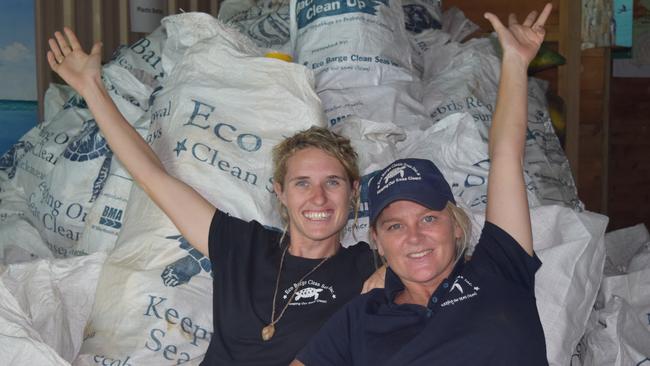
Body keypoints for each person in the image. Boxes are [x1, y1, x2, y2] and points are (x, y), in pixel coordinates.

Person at [46, 29, 383, 366]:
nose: (318, 198)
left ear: (354, 191)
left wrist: (393, 272)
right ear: (280, 192)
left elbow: (429, 252)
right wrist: (92, 89)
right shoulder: (244, 246)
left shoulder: (364, 266)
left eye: (333, 183)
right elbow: (152, 177)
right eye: (302, 183)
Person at [292, 3, 553, 365]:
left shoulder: (499, 267)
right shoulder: (361, 318)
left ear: (457, 227)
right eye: (395, 226)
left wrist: (515, 62)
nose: (414, 237)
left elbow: (506, 155)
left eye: (429, 218)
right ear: (377, 243)